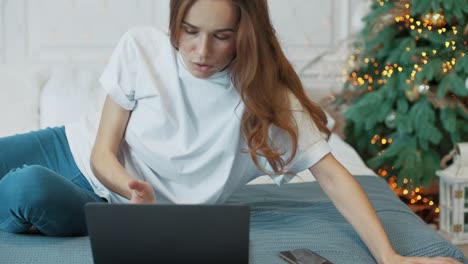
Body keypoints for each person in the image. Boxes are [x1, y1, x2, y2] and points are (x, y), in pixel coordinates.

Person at [0, 0, 461, 263]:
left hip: (95, 201)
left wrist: (391, 258)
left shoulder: (268, 102)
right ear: (174, 24)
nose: (201, 51)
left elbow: (335, 176)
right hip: (68, 150)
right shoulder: (141, 47)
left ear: (246, 33)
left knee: (24, 186)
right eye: (190, 31)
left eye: (221, 36)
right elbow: (103, 152)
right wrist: (130, 184)